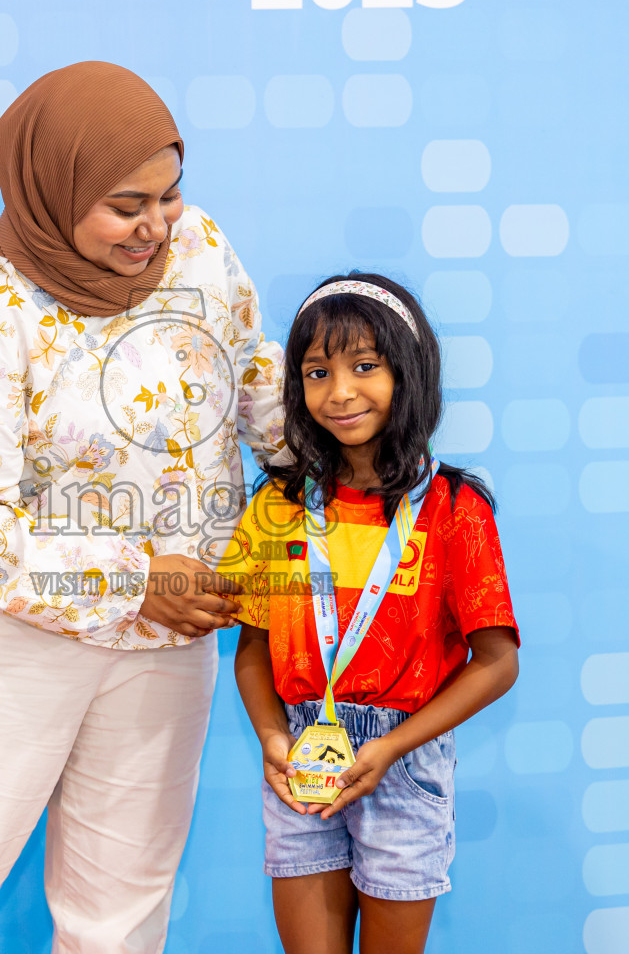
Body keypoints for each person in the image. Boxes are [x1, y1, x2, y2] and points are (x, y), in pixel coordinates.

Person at [0, 62, 286, 953]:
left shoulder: (198, 249)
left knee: (122, 914)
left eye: (170, 194)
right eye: (127, 205)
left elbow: (249, 377)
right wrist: (131, 579)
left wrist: (344, 448)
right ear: (55, 189)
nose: (156, 226)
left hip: (168, 639)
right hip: (5, 646)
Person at [228, 272, 520, 954]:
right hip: (300, 756)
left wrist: (392, 746)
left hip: (403, 760)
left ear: (408, 372)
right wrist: (272, 736)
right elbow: (252, 652)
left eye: (365, 366)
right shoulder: (280, 505)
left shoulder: (453, 507)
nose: (340, 392)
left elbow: (498, 662)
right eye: (316, 372)